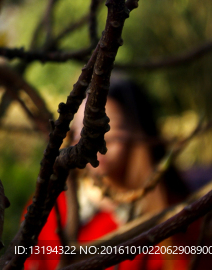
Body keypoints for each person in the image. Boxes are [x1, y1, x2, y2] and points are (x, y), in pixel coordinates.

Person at [25, 77, 197, 270]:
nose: (94, 142)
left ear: (137, 133)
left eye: (109, 129)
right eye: (82, 129)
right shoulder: (51, 206)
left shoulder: (172, 215)